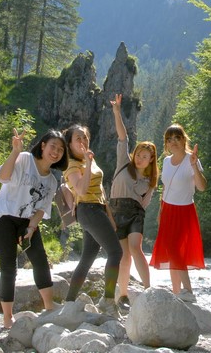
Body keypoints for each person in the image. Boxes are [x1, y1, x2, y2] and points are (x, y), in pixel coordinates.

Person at [0, 128, 68, 328]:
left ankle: (49, 307)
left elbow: (41, 209)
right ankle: (8, 318)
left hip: (26, 221)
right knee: (9, 267)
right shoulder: (24, 159)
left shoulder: (52, 181)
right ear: (43, 146)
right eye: (53, 146)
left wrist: (32, 227)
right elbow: (3, 177)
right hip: (3, 216)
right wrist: (15, 151)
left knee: (40, 260)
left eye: (60, 149)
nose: (56, 152)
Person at [62, 123, 123, 318]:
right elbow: (81, 190)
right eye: (78, 138)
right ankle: (108, 300)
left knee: (87, 259)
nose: (83, 141)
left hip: (97, 209)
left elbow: (101, 191)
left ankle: (69, 302)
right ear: (69, 144)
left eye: (85, 137)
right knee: (115, 252)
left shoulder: (89, 159)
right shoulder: (71, 165)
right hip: (87, 209)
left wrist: (110, 217)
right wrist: (88, 164)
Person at [108, 94, 158, 309]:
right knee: (124, 256)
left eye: (145, 157)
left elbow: (144, 205)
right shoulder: (123, 163)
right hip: (116, 211)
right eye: (138, 154)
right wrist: (117, 112)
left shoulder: (150, 181)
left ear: (151, 160)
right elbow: (123, 137)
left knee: (136, 248)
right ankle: (123, 295)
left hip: (135, 214)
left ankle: (148, 290)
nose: (140, 158)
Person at [149, 123, 207, 302]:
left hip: (184, 210)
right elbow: (166, 187)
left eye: (177, 138)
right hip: (167, 210)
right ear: (166, 143)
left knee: (175, 250)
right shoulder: (166, 161)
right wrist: (160, 210)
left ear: (184, 140)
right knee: (171, 251)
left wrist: (194, 166)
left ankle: (188, 291)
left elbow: (202, 187)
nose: (173, 142)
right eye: (169, 139)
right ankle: (176, 293)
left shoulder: (192, 160)